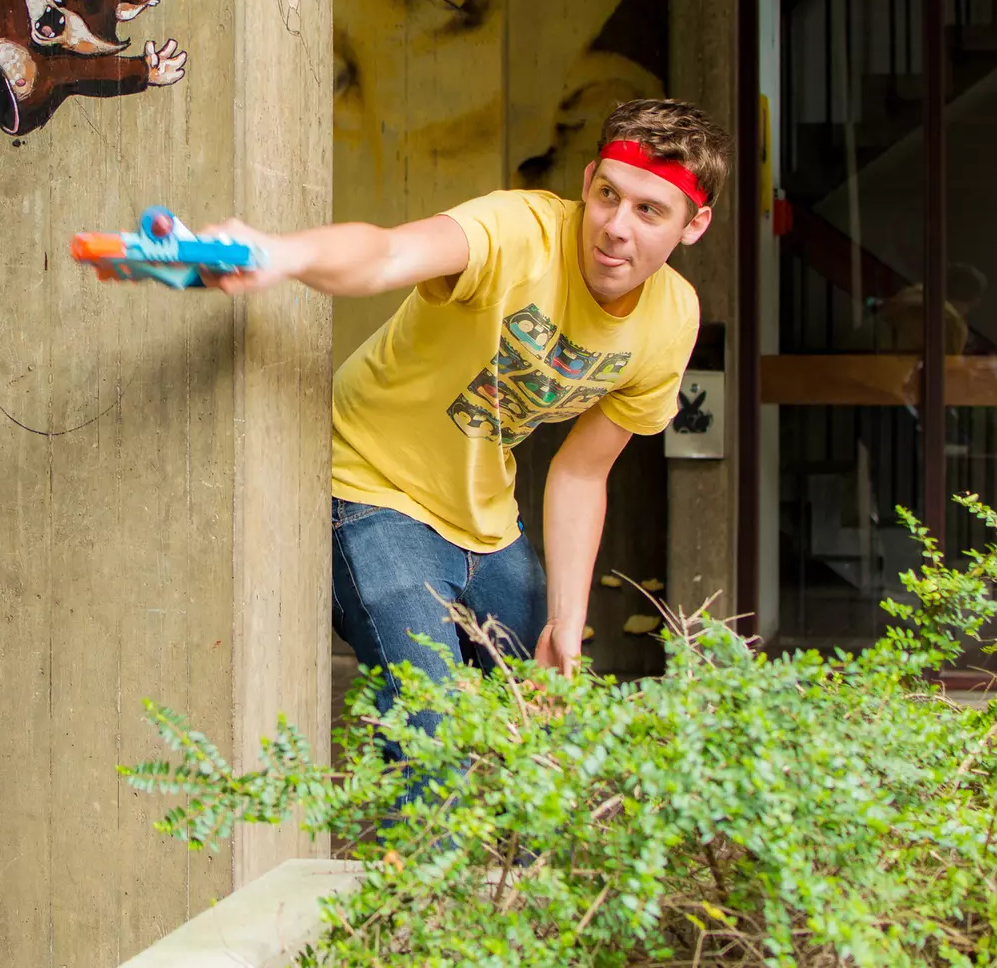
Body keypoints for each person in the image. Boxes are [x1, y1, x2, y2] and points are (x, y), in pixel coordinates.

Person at [202, 99, 729, 740]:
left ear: (693, 225)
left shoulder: (672, 318)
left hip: (487, 522)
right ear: (589, 181)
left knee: (544, 739)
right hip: (372, 490)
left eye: (650, 211)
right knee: (436, 742)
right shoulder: (519, 230)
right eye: (609, 196)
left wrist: (566, 622)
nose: (617, 227)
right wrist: (277, 255)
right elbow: (387, 254)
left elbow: (583, 474)